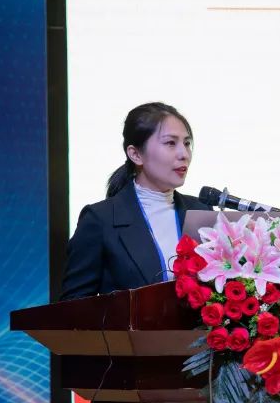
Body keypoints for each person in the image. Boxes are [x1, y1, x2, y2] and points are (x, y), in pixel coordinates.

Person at [59, 102, 211, 301]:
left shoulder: (201, 212)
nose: (184, 154)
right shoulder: (100, 220)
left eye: (187, 143)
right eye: (170, 143)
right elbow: (73, 306)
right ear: (136, 154)